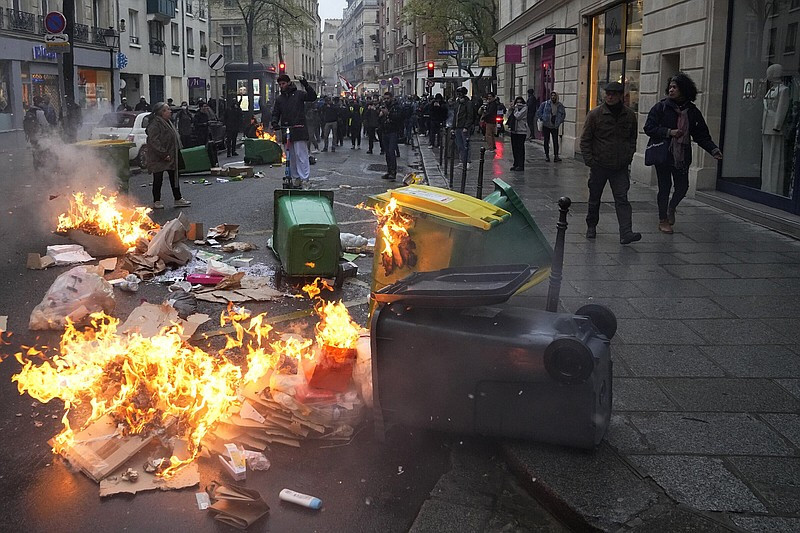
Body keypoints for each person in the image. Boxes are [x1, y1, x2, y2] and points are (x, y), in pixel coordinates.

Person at [644, 72, 722, 234]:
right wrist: (669, 132)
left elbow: (701, 135)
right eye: (670, 87)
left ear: (684, 90)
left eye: (675, 87)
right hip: (664, 154)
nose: (671, 90)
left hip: (682, 155)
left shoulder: (692, 111)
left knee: (682, 187)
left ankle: (671, 207)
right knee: (664, 187)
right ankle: (663, 220)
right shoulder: (661, 107)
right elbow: (649, 128)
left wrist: (713, 149)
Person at [580, 81, 640, 244]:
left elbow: (632, 138)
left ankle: (626, 232)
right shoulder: (595, 114)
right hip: (599, 164)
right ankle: (591, 226)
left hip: (620, 166)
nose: (610, 96)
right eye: (608, 94)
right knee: (594, 198)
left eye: (613, 94)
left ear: (621, 96)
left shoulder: (629, 115)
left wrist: (629, 155)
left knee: (622, 198)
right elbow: (585, 139)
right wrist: (590, 161)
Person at [271, 73, 318, 188]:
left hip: (299, 129)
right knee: (290, 156)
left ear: (288, 83)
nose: (282, 86)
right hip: (287, 130)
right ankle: (296, 178)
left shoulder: (299, 94)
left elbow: (312, 97)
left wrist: (305, 83)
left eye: (283, 83)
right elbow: (276, 113)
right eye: (280, 84)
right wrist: (274, 122)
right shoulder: (279, 99)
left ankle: (305, 179)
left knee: (301, 155)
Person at [145, 102, 190, 209]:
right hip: (159, 156)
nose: (170, 111)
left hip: (171, 154)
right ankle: (156, 201)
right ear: (162, 112)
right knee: (158, 178)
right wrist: (163, 154)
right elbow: (154, 141)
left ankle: (178, 198)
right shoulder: (155, 124)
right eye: (168, 109)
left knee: (174, 177)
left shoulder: (168, 122)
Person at [378, 91, 403, 180]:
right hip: (385, 131)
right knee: (387, 153)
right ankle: (389, 171)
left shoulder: (396, 107)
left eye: (388, 98)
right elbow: (379, 119)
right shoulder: (383, 106)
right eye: (385, 99)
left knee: (391, 152)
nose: (386, 100)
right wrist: (380, 115)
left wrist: (388, 113)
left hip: (393, 131)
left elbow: (399, 117)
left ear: (391, 98)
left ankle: (393, 172)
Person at [536, 91, 566, 162]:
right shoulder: (545, 104)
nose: (553, 97)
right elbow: (539, 112)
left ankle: (556, 156)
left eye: (554, 96)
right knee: (546, 141)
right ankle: (547, 156)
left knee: (555, 141)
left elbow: (563, 114)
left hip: (555, 126)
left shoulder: (560, 105)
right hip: (546, 125)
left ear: (557, 97)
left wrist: (559, 121)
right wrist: (543, 118)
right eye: (552, 95)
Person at [452, 87, 474, 169]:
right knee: (459, 145)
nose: (458, 95)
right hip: (457, 127)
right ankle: (462, 160)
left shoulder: (468, 103)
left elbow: (470, 116)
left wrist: (466, 126)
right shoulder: (457, 103)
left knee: (466, 144)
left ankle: (467, 161)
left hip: (464, 127)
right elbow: (455, 116)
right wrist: (453, 127)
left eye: (460, 93)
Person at [509, 96, 528, 171]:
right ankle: (515, 163)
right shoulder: (514, 109)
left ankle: (521, 165)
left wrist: (515, 109)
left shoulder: (525, 108)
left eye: (520, 102)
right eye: (517, 102)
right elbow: (509, 116)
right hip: (514, 130)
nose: (518, 104)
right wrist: (510, 109)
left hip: (521, 131)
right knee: (514, 148)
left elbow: (518, 116)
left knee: (520, 148)